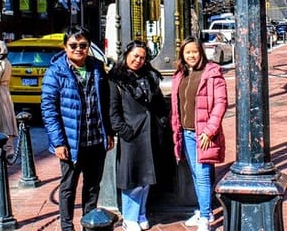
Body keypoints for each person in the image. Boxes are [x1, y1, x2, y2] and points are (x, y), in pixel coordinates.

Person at [41, 26, 114, 231]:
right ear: (65, 47)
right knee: (68, 187)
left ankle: (89, 224)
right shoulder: (56, 72)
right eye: (73, 45)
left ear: (88, 47)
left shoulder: (97, 68)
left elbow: (105, 102)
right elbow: (49, 109)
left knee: (92, 186)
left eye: (83, 45)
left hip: (95, 139)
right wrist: (58, 142)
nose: (78, 49)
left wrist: (108, 132)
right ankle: (67, 226)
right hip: (71, 142)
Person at [108, 40, 169, 231]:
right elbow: (113, 112)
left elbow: (159, 103)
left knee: (146, 178)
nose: (138, 60)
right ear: (127, 54)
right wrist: (125, 131)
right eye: (135, 56)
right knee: (132, 179)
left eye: (142, 57)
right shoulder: (116, 80)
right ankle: (130, 217)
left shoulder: (149, 76)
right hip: (132, 136)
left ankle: (141, 212)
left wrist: (161, 122)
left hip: (150, 134)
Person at [171, 36, 228, 231]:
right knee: (197, 174)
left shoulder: (211, 73)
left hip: (203, 133)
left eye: (194, 51)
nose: (191, 55)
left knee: (202, 174)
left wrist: (210, 130)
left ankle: (205, 217)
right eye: (187, 52)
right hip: (186, 133)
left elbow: (220, 103)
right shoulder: (181, 75)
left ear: (201, 52)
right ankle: (205, 210)